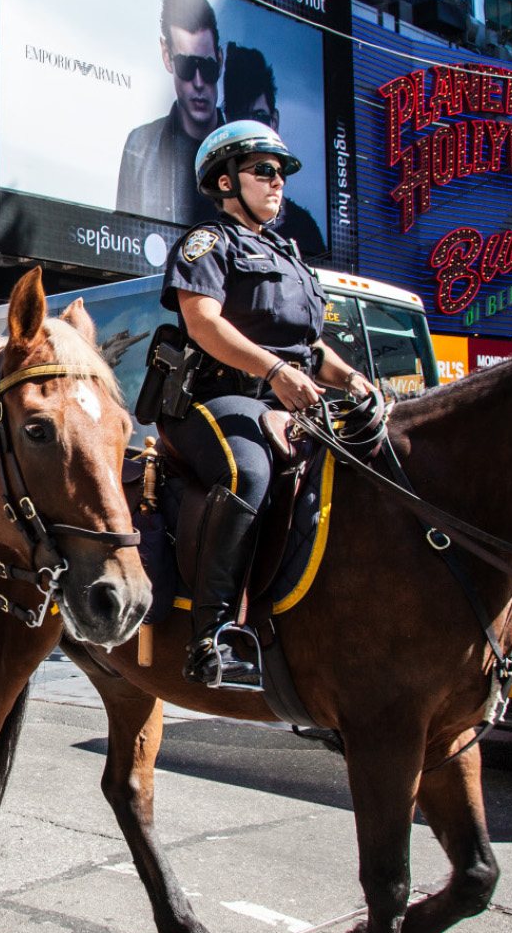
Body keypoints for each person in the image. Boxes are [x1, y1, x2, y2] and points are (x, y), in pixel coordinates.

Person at [157, 120, 373, 690]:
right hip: (212, 398)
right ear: (226, 181)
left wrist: (352, 379)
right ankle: (213, 635)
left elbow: (309, 346)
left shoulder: (289, 253)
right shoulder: (208, 242)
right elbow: (202, 322)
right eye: (264, 171)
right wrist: (275, 371)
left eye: (281, 174)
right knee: (246, 472)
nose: (278, 183)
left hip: (287, 405)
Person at [117, 0, 224, 227]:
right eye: (187, 67)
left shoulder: (241, 156)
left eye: (207, 68)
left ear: (220, 59)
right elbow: (123, 233)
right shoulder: (139, 147)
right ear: (167, 58)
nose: (198, 83)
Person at [220, 45, 327, 260]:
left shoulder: (305, 229)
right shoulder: (210, 233)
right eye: (262, 170)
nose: (277, 182)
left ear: (274, 120)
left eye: (259, 117)